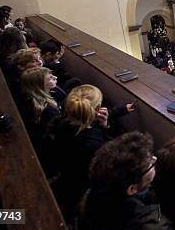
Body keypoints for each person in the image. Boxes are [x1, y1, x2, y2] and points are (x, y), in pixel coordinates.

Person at [46, 85, 135, 218]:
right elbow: (114, 150)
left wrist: (120, 111)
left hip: (66, 174)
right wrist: (107, 127)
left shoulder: (61, 122)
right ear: (97, 110)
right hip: (83, 188)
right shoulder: (93, 144)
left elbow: (93, 120)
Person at [76, 132, 172, 230]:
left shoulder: (93, 190)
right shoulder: (151, 225)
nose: (155, 159)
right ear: (132, 188)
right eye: (150, 164)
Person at [19, 67, 61, 142]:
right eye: (50, 78)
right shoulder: (49, 111)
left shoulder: (34, 96)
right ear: (40, 85)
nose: (56, 77)